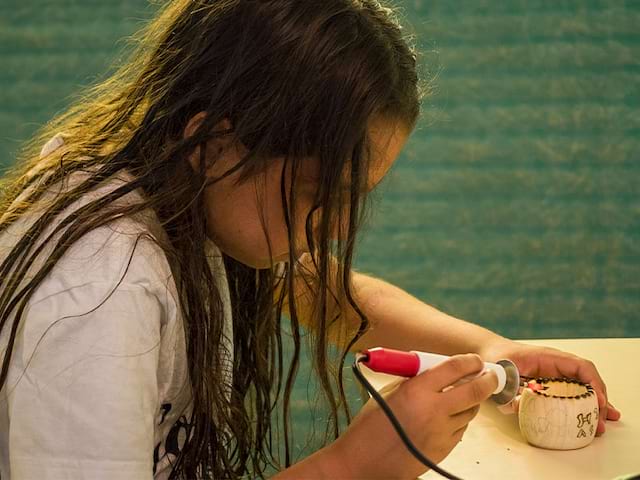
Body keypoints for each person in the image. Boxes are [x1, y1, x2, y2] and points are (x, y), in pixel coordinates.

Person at [0, 1, 620, 479]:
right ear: (214, 144)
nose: (337, 227)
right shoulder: (95, 296)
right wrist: (355, 466)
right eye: (318, 193)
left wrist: (490, 346)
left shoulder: (181, 193)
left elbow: (314, 286)